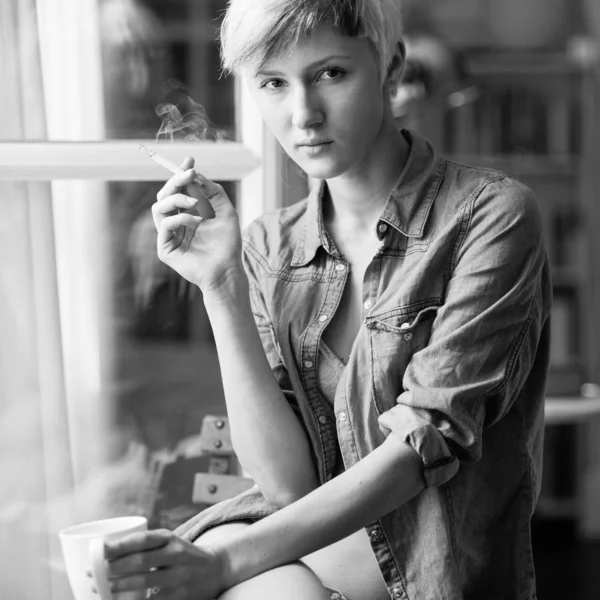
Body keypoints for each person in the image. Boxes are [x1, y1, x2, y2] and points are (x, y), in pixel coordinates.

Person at [93, 1, 552, 599]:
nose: (303, 114)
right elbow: (286, 483)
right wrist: (221, 284)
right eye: (274, 83)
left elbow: (420, 450)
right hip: (305, 560)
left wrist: (229, 563)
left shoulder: (490, 218)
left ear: (390, 67)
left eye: (331, 73)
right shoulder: (266, 247)